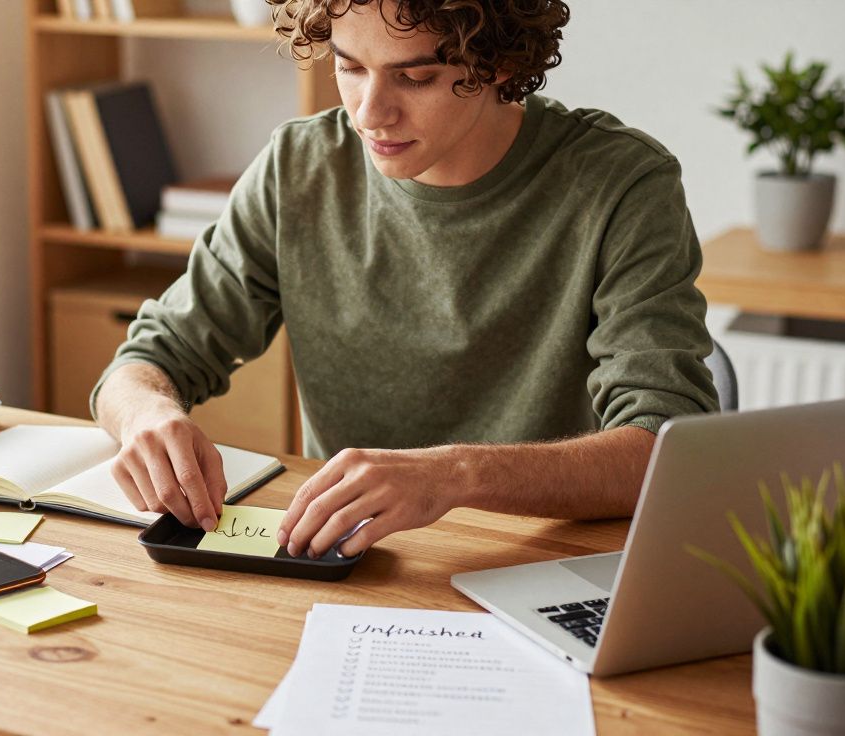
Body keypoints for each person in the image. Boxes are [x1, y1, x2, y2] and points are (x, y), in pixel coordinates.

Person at [90, 0, 718, 560]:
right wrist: (147, 415)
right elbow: (149, 357)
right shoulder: (298, 168)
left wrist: (453, 475)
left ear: (498, 63)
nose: (370, 113)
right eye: (350, 67)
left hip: (539, 563)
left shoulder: (621, 185)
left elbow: (664, 448)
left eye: (415, 77)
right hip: (354, 566)